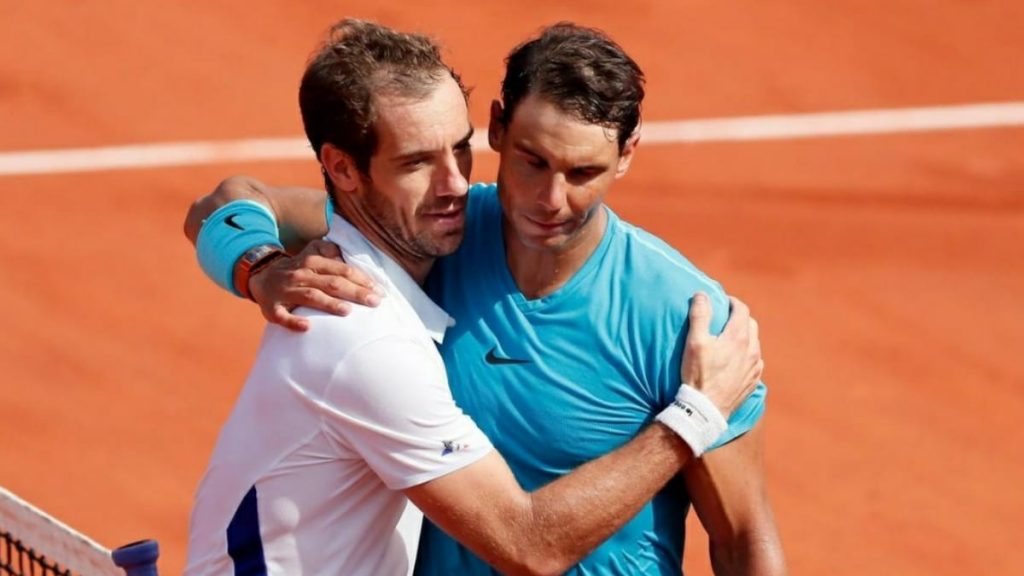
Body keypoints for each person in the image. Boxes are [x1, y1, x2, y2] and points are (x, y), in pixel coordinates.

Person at [184, 20, 768, 576]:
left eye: (584, 172)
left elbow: (743, 538)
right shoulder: (439, 232)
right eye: (532, 161)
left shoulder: (686, 320)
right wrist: (260, 267)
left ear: (628, 153)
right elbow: (230, 200)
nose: (550, 199)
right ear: (497, 128)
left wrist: (700, 408)